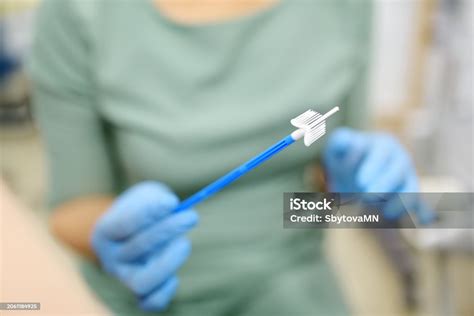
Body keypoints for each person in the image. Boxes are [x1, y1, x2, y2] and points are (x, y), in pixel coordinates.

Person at [28, 0, 419, 315]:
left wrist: (349, 188)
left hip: (292, 286)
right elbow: (70, 208)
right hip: (144, 292)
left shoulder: (344, 7)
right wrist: (115, 240)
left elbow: (325, 194)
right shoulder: (79, 11)